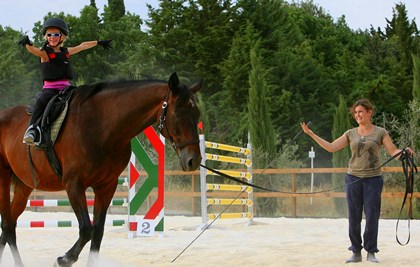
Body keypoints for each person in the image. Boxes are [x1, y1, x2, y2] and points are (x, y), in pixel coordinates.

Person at [300, 98, 413, 264]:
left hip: (373, 180)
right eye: (355, 112)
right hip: (353, 179)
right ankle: (355, 251)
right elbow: (331, 147)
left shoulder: (380, 132)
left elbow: (393, 151)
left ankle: (371, 251)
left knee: (372, 216)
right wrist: (311, 133)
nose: (357, 115)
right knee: (353, 217)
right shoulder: (350, 133)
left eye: (360, 111)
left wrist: (403, 152)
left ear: (369, 112)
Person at [18, 17, 112, 145]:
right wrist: (27, 44)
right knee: (41, 100)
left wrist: (99, 42)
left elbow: (82, 46)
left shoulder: (66, 52)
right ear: (46, 37)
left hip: (67, 88)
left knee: (85, 96)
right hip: (50, 89)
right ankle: (33, 129)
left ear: (62, 37)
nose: (52, 37)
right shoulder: (45, 53)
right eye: (49, 34)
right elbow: (33, 50)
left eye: (56, 34)